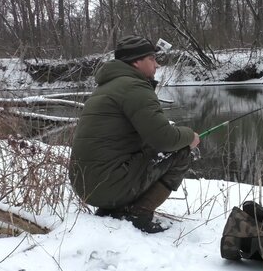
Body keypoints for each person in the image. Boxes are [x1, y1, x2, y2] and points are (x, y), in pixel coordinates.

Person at [69, 35, 200, 233]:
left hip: (86, 187)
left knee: (153, 148)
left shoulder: (108, 85)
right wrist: (190, 136)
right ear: (137, 62)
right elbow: (164, 139)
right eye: (151, 59)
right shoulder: (134, 87)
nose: (156, 65)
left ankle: (116, 208)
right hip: (107, 187)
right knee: (180, 151)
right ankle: (139, 213)